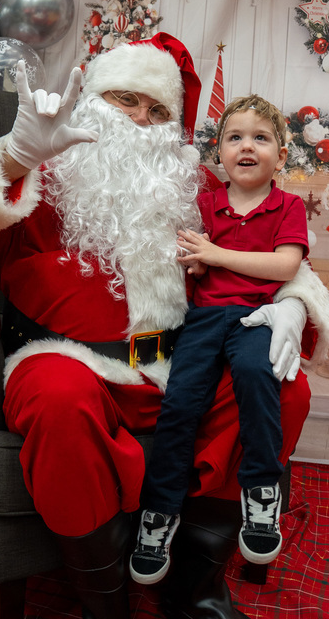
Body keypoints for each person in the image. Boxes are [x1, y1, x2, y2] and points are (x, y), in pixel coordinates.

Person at [0, 34, 329, 619]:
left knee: (284, 387)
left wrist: (292, 304)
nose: (136, 119)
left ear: (176, 130)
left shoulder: (199, 191)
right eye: (122, 99)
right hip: (69, 363)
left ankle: (197, 590)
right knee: (59, 397)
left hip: (179, 364)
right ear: (91, 102)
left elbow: (275, 258)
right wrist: (13, 154)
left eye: (155, 110)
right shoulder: (39, 176)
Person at [130, 94, 308, 587]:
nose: (246, 146)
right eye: (235, 137)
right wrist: (202, 259)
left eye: (260, 137)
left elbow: (286, 266)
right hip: (206, 319)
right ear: (220, 153)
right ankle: (159, 514)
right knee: (182, 401)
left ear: (281, 154)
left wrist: (216, 253)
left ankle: (261, 494)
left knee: (257, 374)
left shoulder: (287, 206)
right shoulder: (205, 205)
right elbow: (191, 260)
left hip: (257, 317)